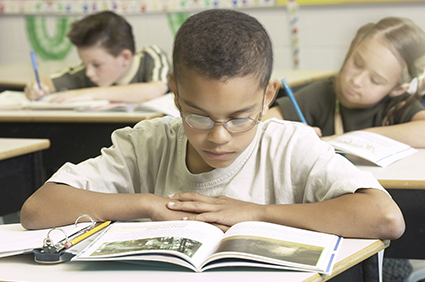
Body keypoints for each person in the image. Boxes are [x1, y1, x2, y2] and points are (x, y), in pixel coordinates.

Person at [20, 9, 405, 244]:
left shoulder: (289, 145)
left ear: (269, 94)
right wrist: (148, 205)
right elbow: (38, 210)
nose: (219, 136)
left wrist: (257, 212)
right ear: (174, 93)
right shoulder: (148, 144)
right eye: (198, 116)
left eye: (240, 118)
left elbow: (385, 217)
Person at [264, 17, 425, 148]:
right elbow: (263, 122)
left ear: (397, 89)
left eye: (375, 80)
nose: (356, 80)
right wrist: (293, 132)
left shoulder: (399, 104)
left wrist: (349, 139)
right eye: (357, 63)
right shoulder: (323, 93)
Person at [24, 11, 170, 104]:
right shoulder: (89, 72)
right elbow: (48, 82)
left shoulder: (151, 56)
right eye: (84, 63)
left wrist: (90, 94)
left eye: (97, 65)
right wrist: (37, 87)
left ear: (125, 57)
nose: (88, 73)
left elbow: (156, 89)